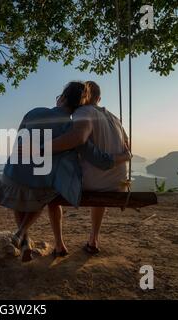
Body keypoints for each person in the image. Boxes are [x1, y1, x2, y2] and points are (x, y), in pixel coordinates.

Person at [0, 81, 130, 261]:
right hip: (43, 186)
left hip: (10, 177)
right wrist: (124, 157)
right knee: (50, 189)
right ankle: (22, 232)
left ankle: (32, 240)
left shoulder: (34, 112)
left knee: (29, 187)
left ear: (62, 98)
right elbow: (94, 154)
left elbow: (20, 141)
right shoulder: (74, 126)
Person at [49, 81, 130, 254]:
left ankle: (59, 245)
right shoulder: (115, 118)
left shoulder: (83, 111)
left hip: (94, 183)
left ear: (83, 97)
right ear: (99, 98)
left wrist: (40, 149)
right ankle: (93, 239)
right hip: (117, 183)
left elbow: (78, 138)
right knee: (98, 178)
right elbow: (128, 146)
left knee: (50, 187)